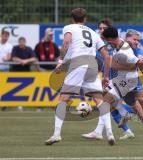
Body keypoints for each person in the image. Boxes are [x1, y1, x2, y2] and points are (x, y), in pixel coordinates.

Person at [45, 8, 115, 146]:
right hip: (92, 65)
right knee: (99, 101)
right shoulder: (93, 33)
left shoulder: (69, 27)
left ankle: (56, 134)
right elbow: (107, 56)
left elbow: (66, 43)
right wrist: (105, 76)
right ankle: (110, 133)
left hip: (77, 63)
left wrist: (60, 60)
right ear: (85, 19)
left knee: (63, 99)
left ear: (72, 19)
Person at [83, 27, 143, 142]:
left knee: (106, 102)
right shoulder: (118, 42)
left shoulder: (125, 52)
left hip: (126, 82)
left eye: (105, 39)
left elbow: (141, 64)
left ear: (109, 40)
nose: (104, 42)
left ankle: (99, 131)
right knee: (132, 104)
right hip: (124, 81)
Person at [0, 30, 13, 111]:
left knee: (4, 87)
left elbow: (9, 57)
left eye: (7, 36)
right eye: (4, 35)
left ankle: (4, 106)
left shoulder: (9, 46)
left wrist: (7, 58)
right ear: (1, 35)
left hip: (5, 68)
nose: (5, 37)